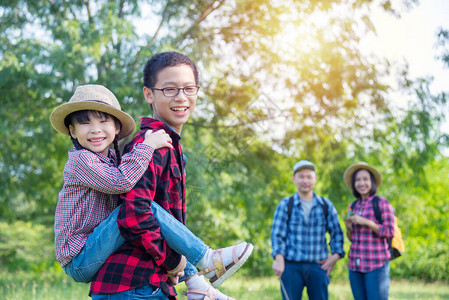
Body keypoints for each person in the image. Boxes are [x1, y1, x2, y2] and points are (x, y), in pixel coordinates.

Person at [50, 84, 251, 299]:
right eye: (85, 123)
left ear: (116, 127)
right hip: (79, 258)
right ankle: (206, 257)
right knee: (137, 209)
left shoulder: (111, 160)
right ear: (72, 131)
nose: (95, 129)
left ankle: (195, 282)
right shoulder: (81, 160)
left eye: (103, 121)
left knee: (140, 209)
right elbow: (122, 181)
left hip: (96, 246)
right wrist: (148, 145)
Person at [271, 160, 345, 300]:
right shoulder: (286, 205)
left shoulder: (325, 205)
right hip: (291, 267)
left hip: (318, 267)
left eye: (309, 176)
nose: (305, 180)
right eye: (301, 176)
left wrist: (335, 256)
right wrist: (279, 259)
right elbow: (277, 235)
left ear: (315, 179)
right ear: (294, 179)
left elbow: (336, 233)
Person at [343, 162, 395, 300]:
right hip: (355, 265)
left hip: (376, 264)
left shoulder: (381, 203)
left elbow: (390, 231)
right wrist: (349, 227)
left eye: (365, 179)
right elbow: (351, 238)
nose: (362, 183)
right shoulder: (353, 206)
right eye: (358, 180)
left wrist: (366, 222)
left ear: (372, 182)